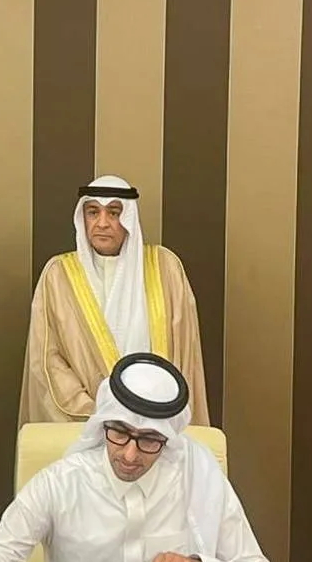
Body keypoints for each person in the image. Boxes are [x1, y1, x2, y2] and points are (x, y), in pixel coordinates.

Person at [0, 353, 271, 562]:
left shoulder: (198, 478)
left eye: (149, 440)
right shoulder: (60, 483)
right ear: (103, 425)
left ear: (168, 440)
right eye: (120, 432)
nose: (129, 455)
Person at [19, 175, 209, 426]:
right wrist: (98, 413)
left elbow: (185, 349)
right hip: (85, 421)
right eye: (93, 212)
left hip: (158, 421)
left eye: (114, 213)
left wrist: (160, 407)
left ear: (129, 218)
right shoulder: (58, 274)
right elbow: (47, 358)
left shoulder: (165, 267)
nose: (102, 223)